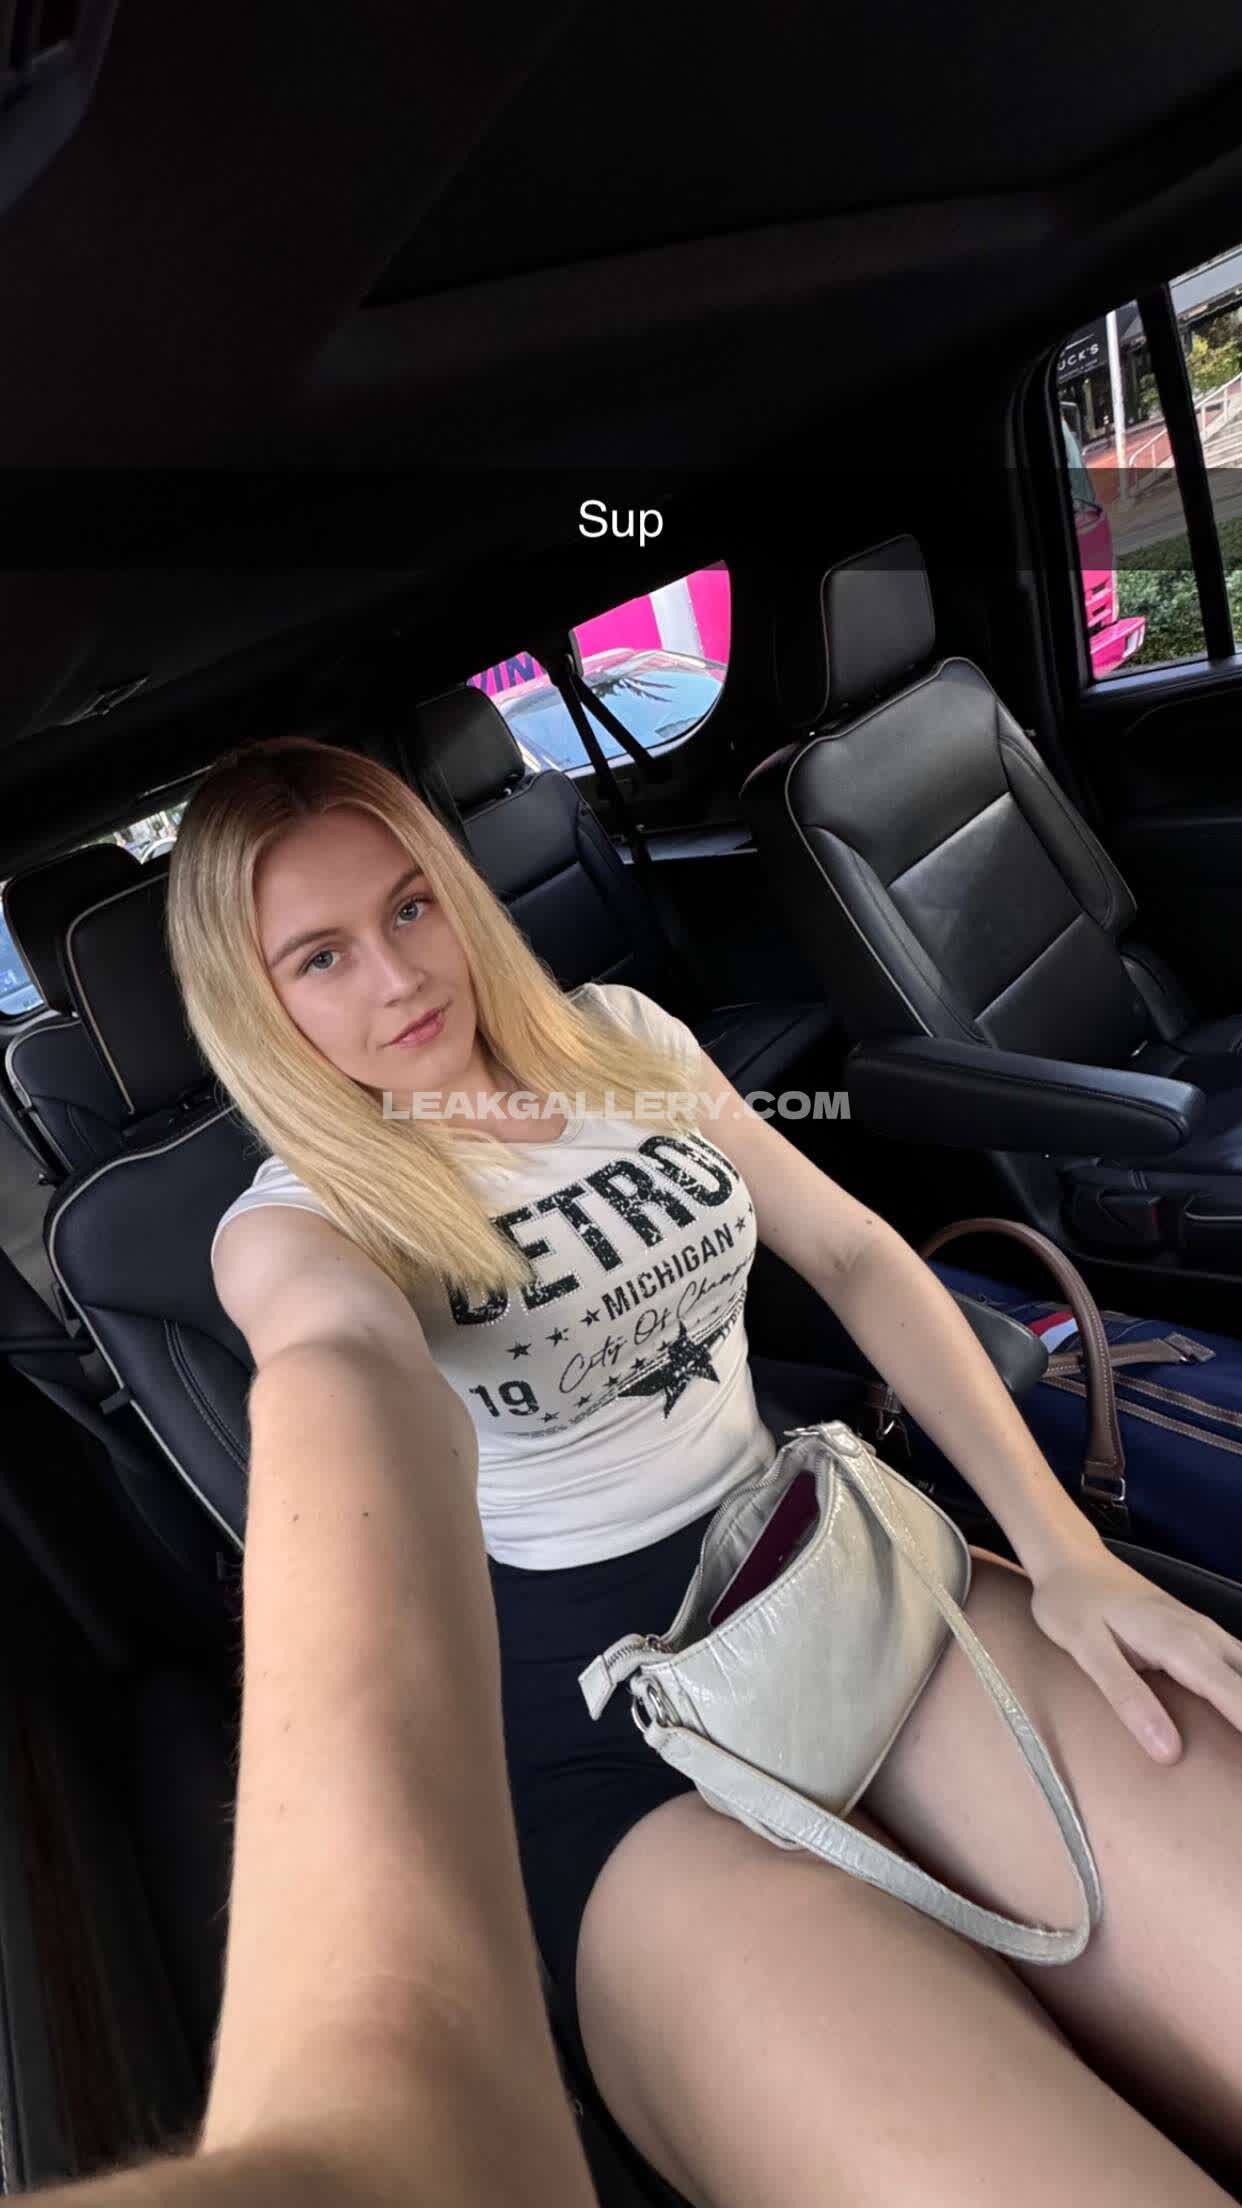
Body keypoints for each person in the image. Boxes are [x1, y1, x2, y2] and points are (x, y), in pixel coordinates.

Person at [35, 729, 1242, 2205]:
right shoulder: (293, 1225)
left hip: (832, 1560)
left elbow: (855, 1253)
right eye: (321, 958)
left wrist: (1065, 1556)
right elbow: (338, 1381)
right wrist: (348, 2026)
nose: (398, 979)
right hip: (605, 1738)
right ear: (255, 1002)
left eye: (412, 907)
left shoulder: (619, 1037)